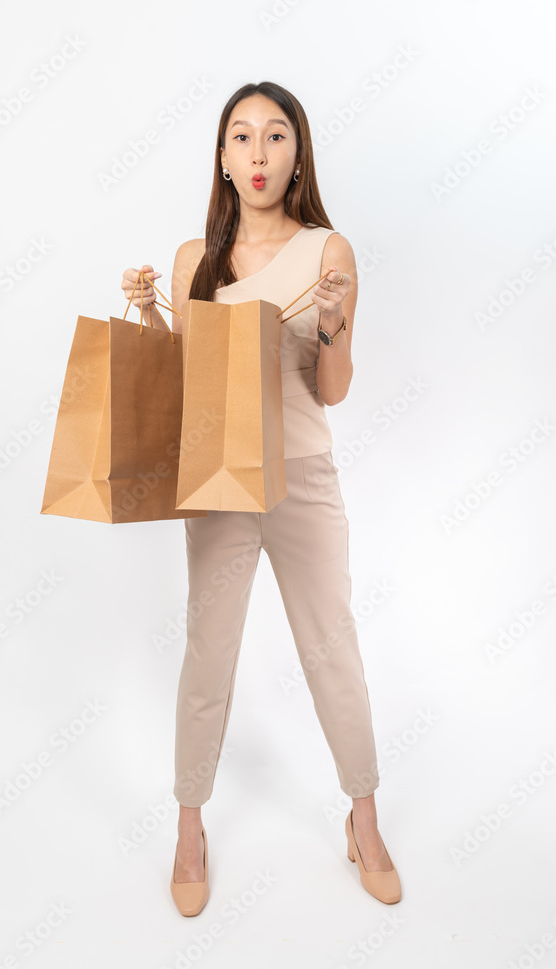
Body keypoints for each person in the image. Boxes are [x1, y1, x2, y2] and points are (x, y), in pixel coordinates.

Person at [121, 80, 401, 915]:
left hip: (304, 477)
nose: (256, 153)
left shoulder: (328, 251)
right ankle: (189, 826)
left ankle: (365, 819)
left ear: (297, 153)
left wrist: (332, 325)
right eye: (240, 137)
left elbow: (334, 391)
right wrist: (146, 314)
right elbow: (180, 390)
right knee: (207, 653)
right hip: (219, 482)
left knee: (332, 649)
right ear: (221, 157)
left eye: (274, 136)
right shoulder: (191, 262)